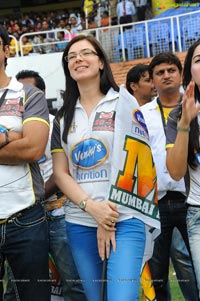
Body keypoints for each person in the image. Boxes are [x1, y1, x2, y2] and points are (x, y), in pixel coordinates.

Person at [51, 34, 147, 301]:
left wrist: (107, 217)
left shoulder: (125, 103)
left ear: (102, 62)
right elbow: (61, 173)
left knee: (122, 297)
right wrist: (93, 209)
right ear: (67, 67)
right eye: (71, 56)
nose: (78, 59)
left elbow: (137, 164)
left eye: (86, 53)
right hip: (80, 222)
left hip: (126, 218)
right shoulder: (62, 116)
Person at [15, 69, 87, 301]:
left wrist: (34, 196)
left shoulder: (55, 124)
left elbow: (61, 173)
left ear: (42, 94)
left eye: (30, 91)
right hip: (22, 217)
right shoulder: (12, 126)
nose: (24, 96)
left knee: (73, 282)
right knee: (19, 287)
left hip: (57, 212)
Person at [140, 52, 199, 301]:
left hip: (191, 200)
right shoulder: (141, 114)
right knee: (158, 269)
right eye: (160, 72)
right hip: (157, 201)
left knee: (191, 266)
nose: (166, 76)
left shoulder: (194, 104)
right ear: (152, 80)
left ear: (180, 73)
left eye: (171, 70)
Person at [0, 25, 50, 301]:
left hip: (25, 218)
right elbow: (23, 142)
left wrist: (20, 140)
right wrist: (9, 136)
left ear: (7, 50)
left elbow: (33, 148)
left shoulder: (30, 95)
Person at [166, 40, 200, 299]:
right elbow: (176, 172)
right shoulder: (178, 115)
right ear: (190, 74)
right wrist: (186, 124)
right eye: (198, 60)